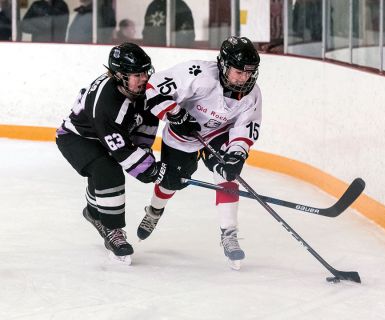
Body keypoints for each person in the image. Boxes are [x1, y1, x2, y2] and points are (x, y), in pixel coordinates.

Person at [138, 36, 262, 269]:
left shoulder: (252, 94)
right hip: (183, 135)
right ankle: (154, 210)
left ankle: (229, 234)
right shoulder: (199, 74)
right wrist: (176, 114)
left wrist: (237, 153)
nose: (244, 78)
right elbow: (153, 87)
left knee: (227, 174)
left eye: (249, 73)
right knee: (171, 182)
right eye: (238, 72)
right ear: (224, 65)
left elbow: (245, 126)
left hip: (217, 135)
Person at [56, 43, 160, 264]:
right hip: (77, 138)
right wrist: (147, 170)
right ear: (119, 75)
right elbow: (122, 152)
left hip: (105, 136)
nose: (143, 78)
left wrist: (147, 160)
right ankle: (112, 230)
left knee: (106, 169)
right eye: (136, 74)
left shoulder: (142, 91)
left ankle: (94, 213)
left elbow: (146, 126)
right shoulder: (107, 103)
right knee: (107, 169)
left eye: (145, 72)